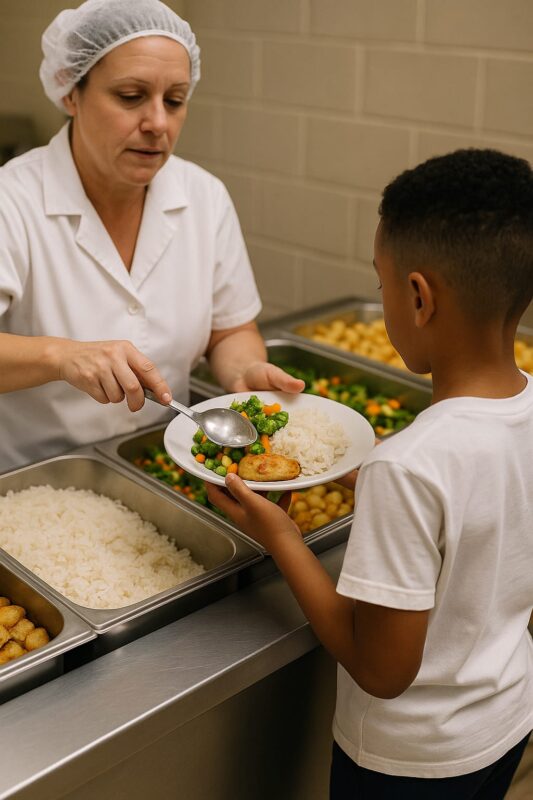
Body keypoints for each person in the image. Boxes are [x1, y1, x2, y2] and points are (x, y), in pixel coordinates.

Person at [207, 148, 533, 798]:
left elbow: (380, 669)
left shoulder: (407, 464)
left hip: (404, 764)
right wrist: (360, 475)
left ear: (416, 297)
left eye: (379, 280)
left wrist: (281, 539)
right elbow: (483, 521)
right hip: (502, 722)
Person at [0, 0, 303, 473]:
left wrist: (243, 371)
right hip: (38, 479)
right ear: (70, 94)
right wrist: (61, 355)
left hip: (167, 466)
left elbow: (231, 329)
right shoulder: (12, 200)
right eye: (129, 96)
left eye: (175, 100)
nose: (158, 123)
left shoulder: (204, 196)